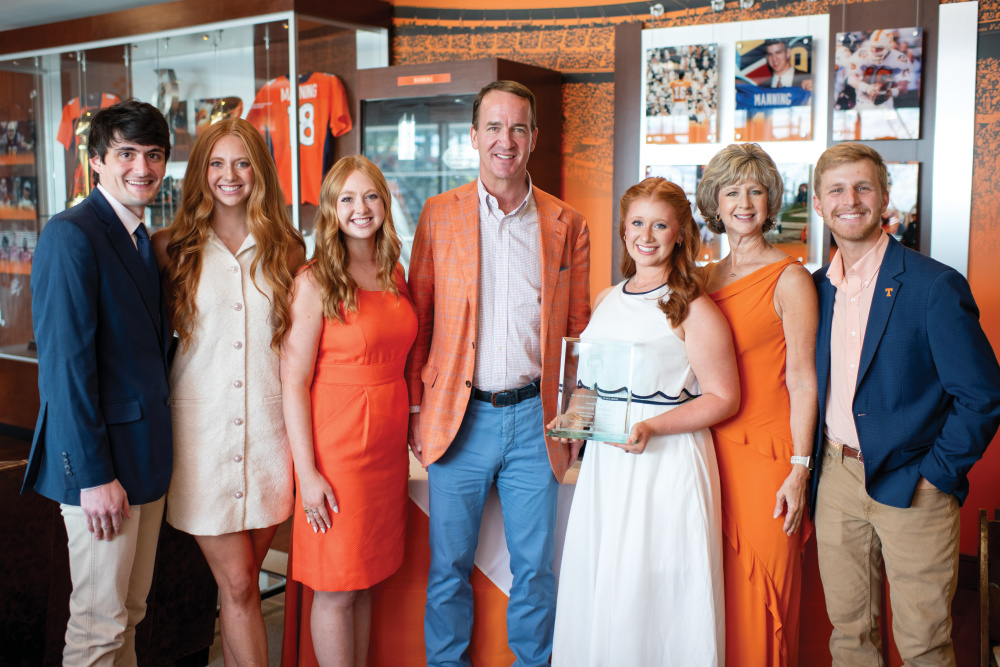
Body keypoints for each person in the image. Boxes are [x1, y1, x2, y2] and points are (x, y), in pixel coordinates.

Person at [406, 80, 590, 667]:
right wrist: (415, 411)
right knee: (448, 569)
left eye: (517, 128)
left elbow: (580, 332)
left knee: (537, 569)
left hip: (537, 422)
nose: (504, 141)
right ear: (474, 136)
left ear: (533, 138)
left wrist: (578, 417)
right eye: (493, 127)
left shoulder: (567, 223)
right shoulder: (439, 215)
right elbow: (420, 320)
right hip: (459, 420)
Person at [810, 142, 1000, 665]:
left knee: (924, 642)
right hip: (836, 476)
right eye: (837, 190)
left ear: (885, 198)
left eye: (863, 187)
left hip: (914, 480)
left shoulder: (933, 285)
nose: (851, 199)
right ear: (820, 205)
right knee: (848, 635)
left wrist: (936, 474)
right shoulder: (814, 289)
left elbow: (981, 395)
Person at [551, 177, 739, 665]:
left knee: (654, 590)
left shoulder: (692, 307)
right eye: (637, 222)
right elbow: (591, 385)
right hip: (608, 469)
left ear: (680, 234)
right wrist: (573, 419)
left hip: (665, 465)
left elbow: (724, 397)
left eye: (660, 225)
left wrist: (654, 427)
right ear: (623, 229)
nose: (647, 235)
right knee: (606, 578)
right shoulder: (607, 299)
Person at [23, 99, 173, 665]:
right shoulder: (71, 235)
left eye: (154, 155)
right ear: (96, 163)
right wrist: (93, 476)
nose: (142, 168)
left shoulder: (140, 238)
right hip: (101, 472)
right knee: (97, 626)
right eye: (127, 154)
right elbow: (64, 367)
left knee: (127, 616)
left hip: (145, 461)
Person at [152, 117, 305, 666]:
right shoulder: (170, 248)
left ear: (259, 170)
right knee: (240, 584)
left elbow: (300, 344)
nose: (230, 175)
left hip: (271, 439)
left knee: (237, 588)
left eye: (242, 162)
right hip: (200, 442)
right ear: (200, 172)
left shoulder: (288, 247)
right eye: (216, 163)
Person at [281, 154, 416, 667]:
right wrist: (308, 474)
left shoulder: (392, 269)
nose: (361, 208)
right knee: (336, 589)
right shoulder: (313, 281)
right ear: (331, 210)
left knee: (364, 584)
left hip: (383, 452)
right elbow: (292, 382)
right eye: (347, 199)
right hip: (337, 453)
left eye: (371, 196)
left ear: (385, 202)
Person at [696, 142, 818, 667]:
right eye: (732, 191)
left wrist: (799, 469)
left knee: (764, 592)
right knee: (709, 593)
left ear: (771, 201)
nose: (745, 202)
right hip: (705, 449)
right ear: (714, 203)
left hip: (769, 457)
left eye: (756, 190)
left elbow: (806, 380)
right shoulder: (699, 279)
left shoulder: (791, 278)